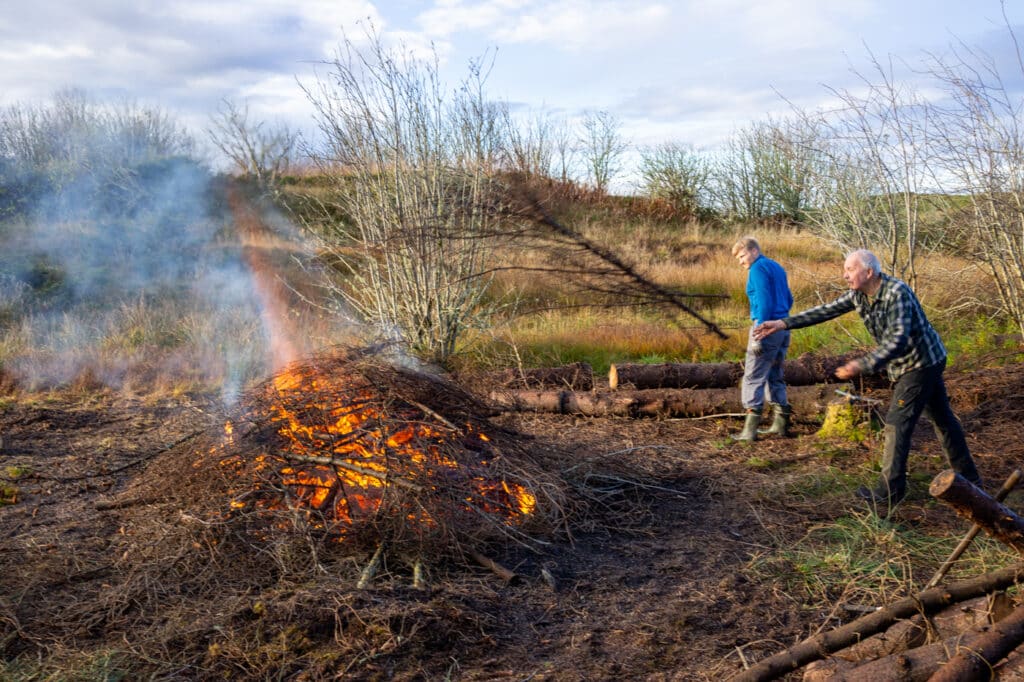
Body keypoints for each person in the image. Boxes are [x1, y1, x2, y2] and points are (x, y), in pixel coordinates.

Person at [754, 249, 982, 507]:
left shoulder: (897, 293)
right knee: (942, 419)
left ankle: (889, 492)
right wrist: (783, 323)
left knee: (897, 423)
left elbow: (897, 341)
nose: (845, 275)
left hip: (921, 363)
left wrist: (862, 365)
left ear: (869, 272)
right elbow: (825, 311)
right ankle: (970, 480)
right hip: (913, 363)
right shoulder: (858, 295)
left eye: (850, 270)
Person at [731, 236, 794, 441]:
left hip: (766, 327)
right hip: (783, 326)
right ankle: (781, 424)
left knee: (753, 375)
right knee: (775, 374)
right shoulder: (776, 267)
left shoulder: (757, 268)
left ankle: (749, 431)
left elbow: (765, 302)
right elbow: (789, 297)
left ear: (754, 251)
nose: (741, 262)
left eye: (742, 256)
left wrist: (759, 333)